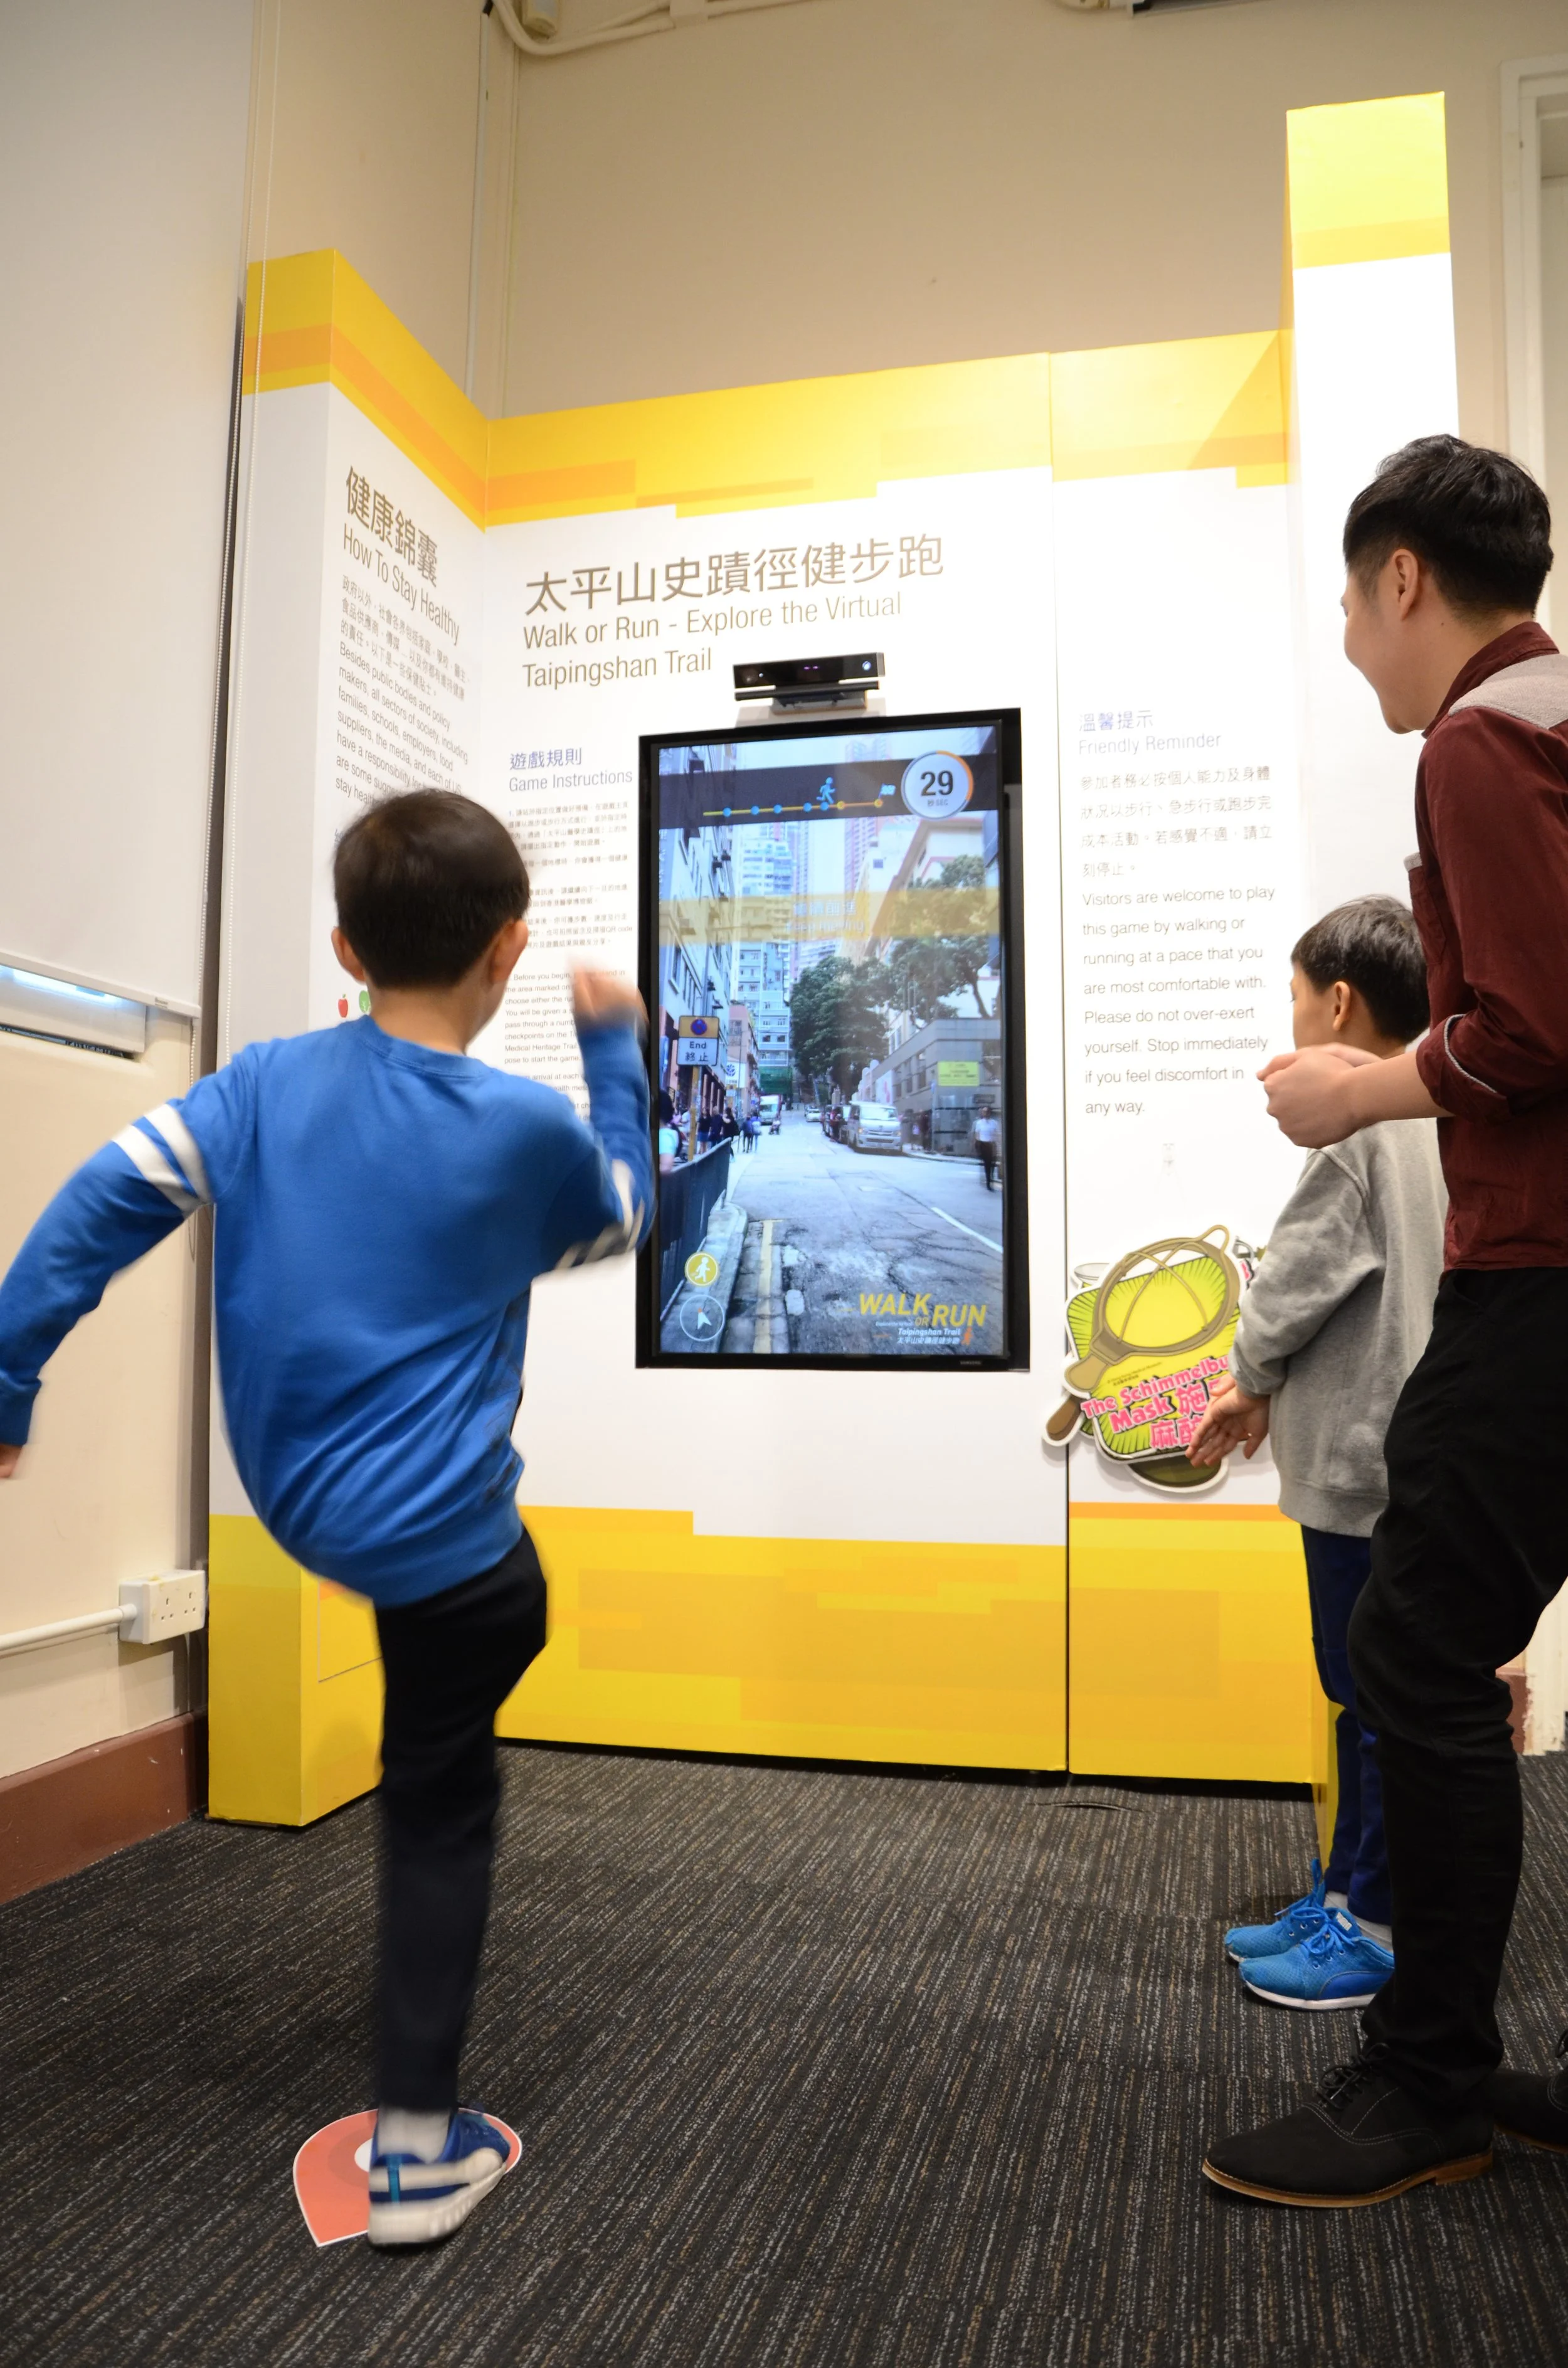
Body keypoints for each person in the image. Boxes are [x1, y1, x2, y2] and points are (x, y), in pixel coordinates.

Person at [0, 789, 653, 2248]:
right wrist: (613, 1049)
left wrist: (7, 1378)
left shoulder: (255, 1088)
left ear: (346, 945)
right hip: (457, 1564)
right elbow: (622, 1211)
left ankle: (418, 2131)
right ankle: (419, 2156)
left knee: (440, 1719)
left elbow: (97, 1204)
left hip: (315, 1521)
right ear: (510, 948)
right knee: (439, 1809)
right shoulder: (520, 1126)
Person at [1204, 437, 1565, 2209]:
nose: (1352, 642)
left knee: (1415, 1655)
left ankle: (1424, 2077)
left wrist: (1358, 1091)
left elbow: (1527, 1031)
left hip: (1546, 1268)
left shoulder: (1481, 740)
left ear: (1404, 577)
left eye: (1353, 602)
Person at [1188, 896, 1443, 2010]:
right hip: (1412, 1457)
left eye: (1295, 999)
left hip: (1354, 1470)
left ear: (1340, 1004)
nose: (1289, 1023)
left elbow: (1293, 1283)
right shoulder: (1438, 1118)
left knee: (1368, 1700)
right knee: (1371, 1700)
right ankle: (1343, 1894)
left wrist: (1245, 1380)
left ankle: (1370, 1925)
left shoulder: (1356, 1133)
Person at [972, 1105, 1000, 1191]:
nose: (985, 1113)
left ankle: (990, 1178)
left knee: (992, 1164)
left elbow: (998, 1134)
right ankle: (988, 1182)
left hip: (992, 1144)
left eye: (986, 1112)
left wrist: (998, 1144)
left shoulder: (994, 1123)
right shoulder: (979, 1123)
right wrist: (976, 1146)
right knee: (987, 1164)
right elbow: (977, 1135)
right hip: (983, 1145)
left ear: (989, 1113)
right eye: (983, 1112)